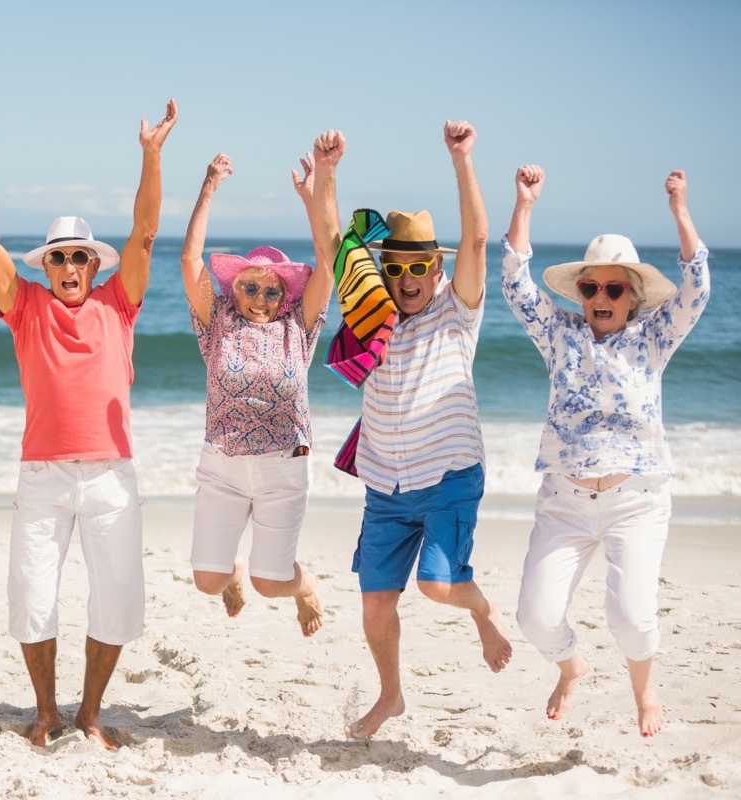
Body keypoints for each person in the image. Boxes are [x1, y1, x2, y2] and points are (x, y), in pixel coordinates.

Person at [0, 100, 177, 750]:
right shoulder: (26, 308)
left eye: (79, 258)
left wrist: (151, 153)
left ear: (94, 266)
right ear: (44, 266)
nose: (70, 268)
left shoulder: (117, 304)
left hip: (110, 476)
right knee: (32, 598)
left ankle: (91, 714)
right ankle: (46, 713)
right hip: (42, 477)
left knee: (117, 599)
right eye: (58, 258)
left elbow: (147, 233)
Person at [310, 122, 513, 738]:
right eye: (394, 266)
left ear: (434, 268)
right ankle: (391, 695)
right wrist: (328, 174)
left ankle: (481, 609)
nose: (406, 278)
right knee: (375, 607)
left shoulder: (459, 306)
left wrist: (463, 159)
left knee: (438, 584)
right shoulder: (371, 310)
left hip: (449, 475)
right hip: (385, 482)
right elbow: (330, 246)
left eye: (419, 266)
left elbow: (477, 239)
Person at [503, 166, 709, 738]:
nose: (600, 296)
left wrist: (680, 209)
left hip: (636, 501)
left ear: (633, 297)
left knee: (631, 620)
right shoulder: (559, 334)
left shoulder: (654, 339)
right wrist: (525, 204)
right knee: (536, 619)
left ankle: (645, 692)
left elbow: (697, 285)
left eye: (613, 288)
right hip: (564, 501)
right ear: (580, 293)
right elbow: (516, 283)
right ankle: (572, 669)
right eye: (591, 287)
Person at [179, 151, 332, 635]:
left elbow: (329, 262)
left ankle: (304, 586)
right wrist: (208, 188)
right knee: (207, 580)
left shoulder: (298, 327)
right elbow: (188, 260)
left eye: (271, 292)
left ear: (285, 295)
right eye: (249, 288)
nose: (260, 300)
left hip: (284, 467)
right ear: (234, 289)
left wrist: (314, 195)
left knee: (273, 583)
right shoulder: (217, 322)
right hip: (222, 464)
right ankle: (231, 575)